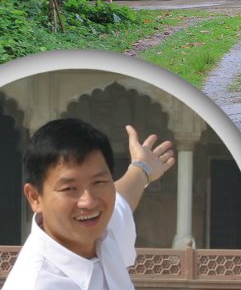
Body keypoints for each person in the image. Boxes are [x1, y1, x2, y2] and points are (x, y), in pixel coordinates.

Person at [2, 118, 176, 290]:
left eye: (98, 182)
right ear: (35, 197)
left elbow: (124, 196)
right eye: (70, 188)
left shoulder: (103, 230)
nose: (89, 202)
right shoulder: (36, 283)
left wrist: (142, 168)